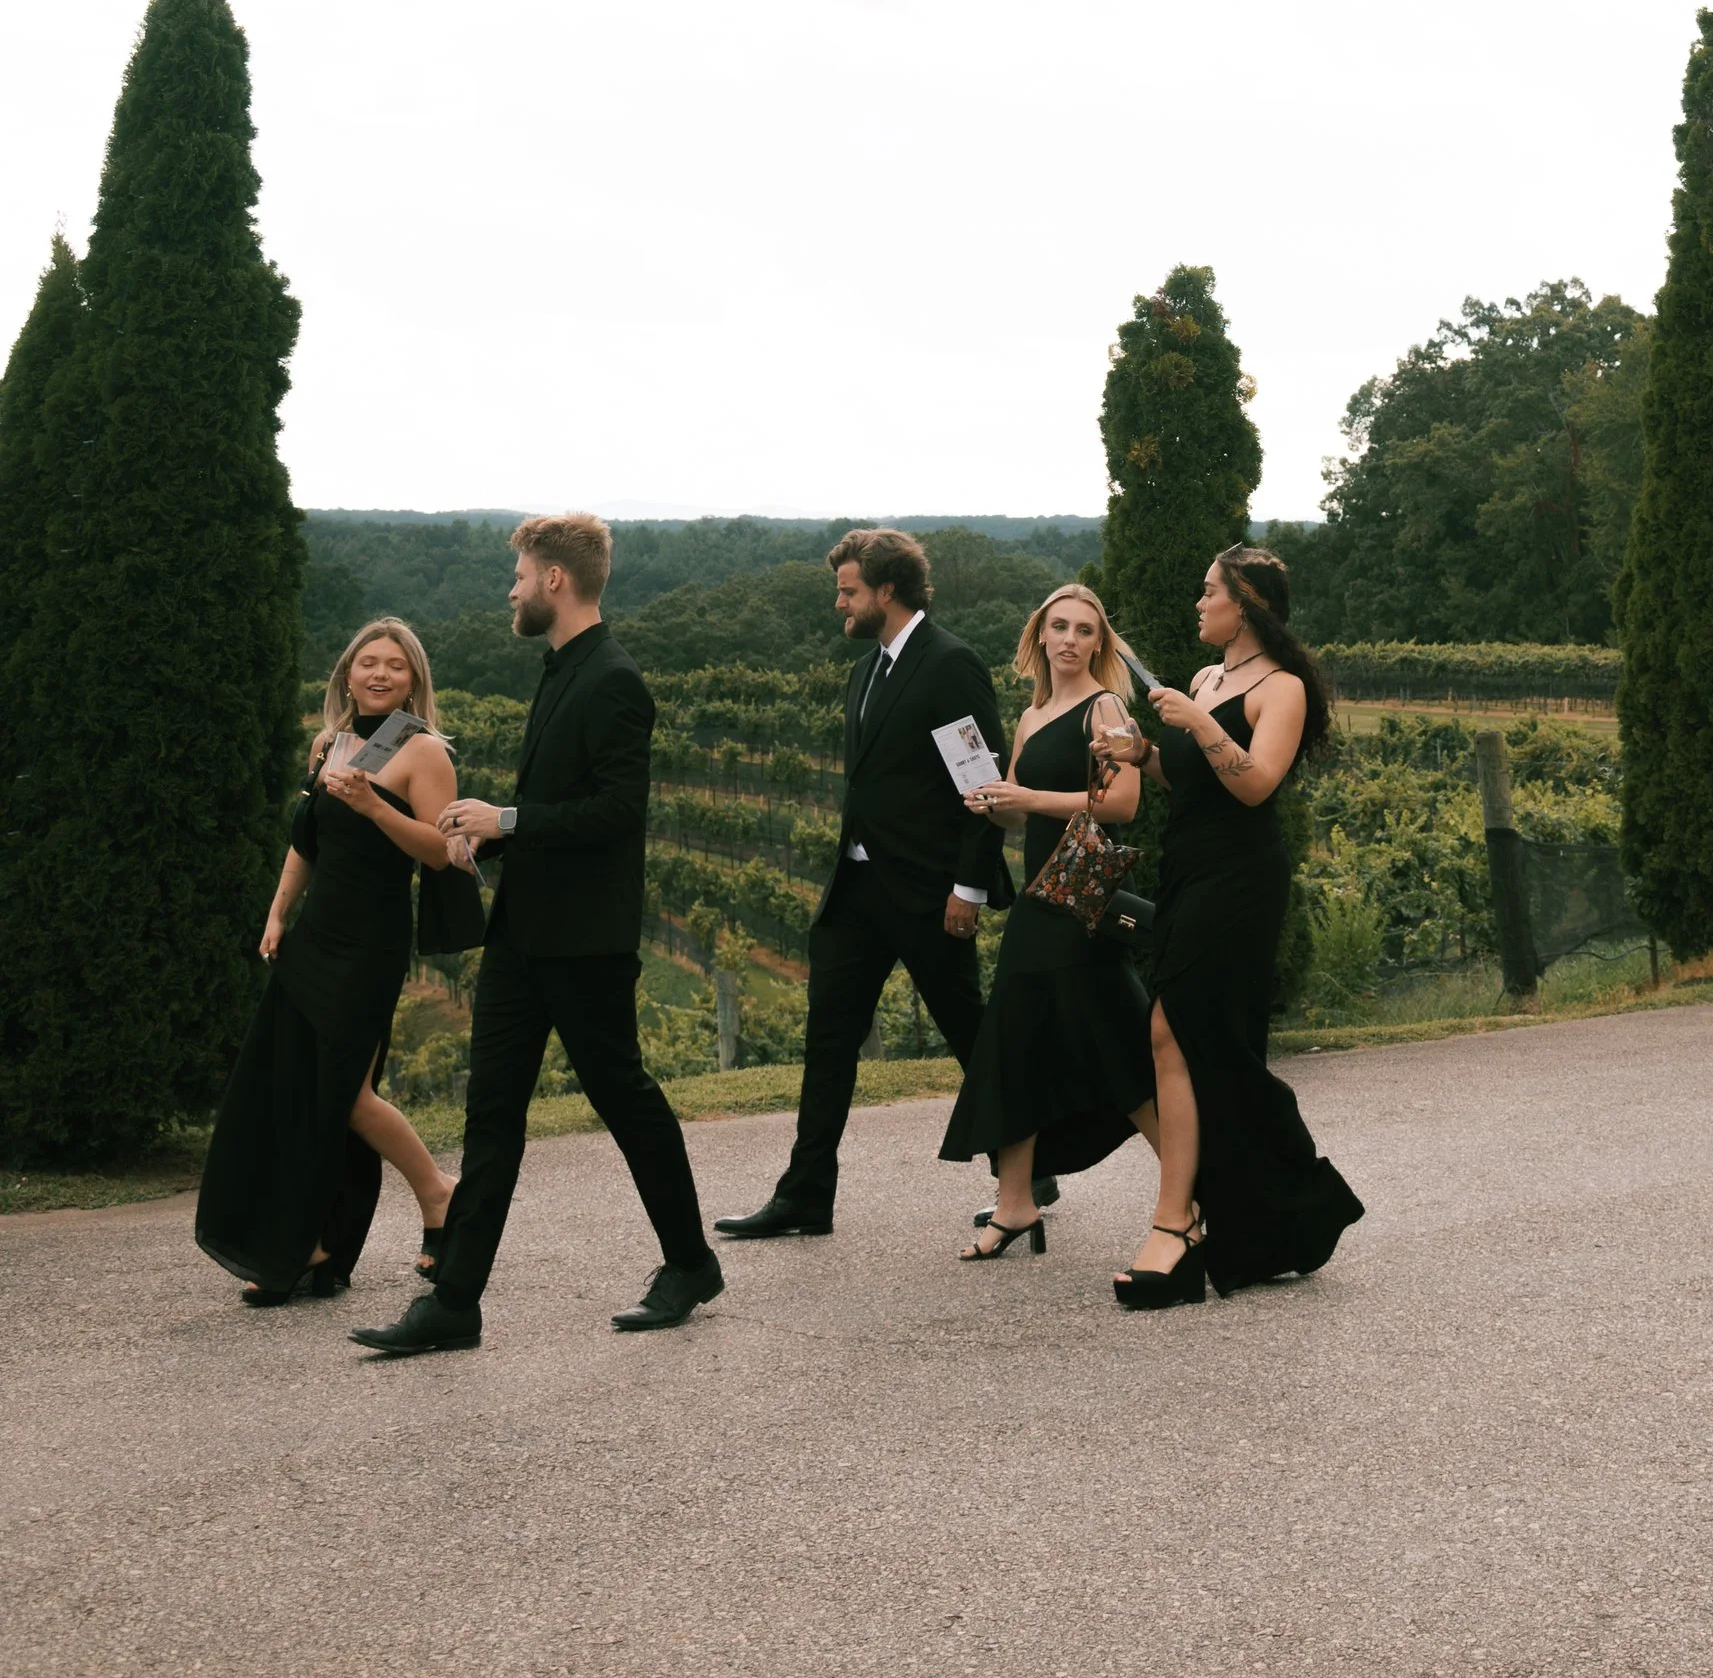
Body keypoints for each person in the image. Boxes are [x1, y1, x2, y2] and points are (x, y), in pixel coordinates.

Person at [353, 516, 722, 1354]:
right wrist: (489, 833)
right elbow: (566, 801)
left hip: (585, 940)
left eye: (519, 574)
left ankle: (691, 1262)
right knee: (492, 1114)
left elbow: (621, 812)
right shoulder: (562, 670)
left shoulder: (615, 678)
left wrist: (508, 816)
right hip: (524, 934)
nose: (511, 588)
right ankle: (454, 1303)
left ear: (556, 579)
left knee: (624, 1098)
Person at [715, 526, 1013, 1246]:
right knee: (829, 1039)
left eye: (848, 590)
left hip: (929, 892)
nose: (838, 603)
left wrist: (968, 891)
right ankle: (806, 1195)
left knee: (971, 1036)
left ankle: (1025, 1169)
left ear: (886, 590)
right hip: (856, 889)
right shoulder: (865, 670)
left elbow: (984, 787)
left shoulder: (951, 663)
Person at [1117, 546, 1363, 1306]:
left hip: (1241, 882)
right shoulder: (1205, 678)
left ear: (1245, 604)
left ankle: (1176, 1223)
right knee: (1193, 1039)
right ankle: (1267, 1210)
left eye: (1208, 591)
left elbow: (1255, 784)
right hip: (1188, 869)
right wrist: (1145, 754)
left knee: (1176, 1028)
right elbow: (1191, 778)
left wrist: (1197, 722)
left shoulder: (1280, 687)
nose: (1198, 603)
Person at [196, 618, 464, 1303]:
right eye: (367, 662)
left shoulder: (421, 749)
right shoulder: (332, 744)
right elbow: (306, 841)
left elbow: (440, 852)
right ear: (347, 674)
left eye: (395, 665)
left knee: (345, 1093)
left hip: (369, 945)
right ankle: (310, 1243)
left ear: (413, 680)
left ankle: (436, 1191)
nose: (379, 673)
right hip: (313, 938)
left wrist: (374, 805)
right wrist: (278, 912)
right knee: (290, 1086)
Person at [939, 585, 1157, 1254]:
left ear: (1099, 642)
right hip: (1039, 899)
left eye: (1083, 630)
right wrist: (993, 801)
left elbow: (1122, 802)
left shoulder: (1106, 707)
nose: (1069, 638)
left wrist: (1029, 793)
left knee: (1123, 1050)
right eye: (1058, 626)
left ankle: (1202, 1185)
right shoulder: (1033, 715)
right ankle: (1015, 1206)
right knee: (1014, 1045)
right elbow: (1018, 812)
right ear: (1039, 635)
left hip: (1077, 903)